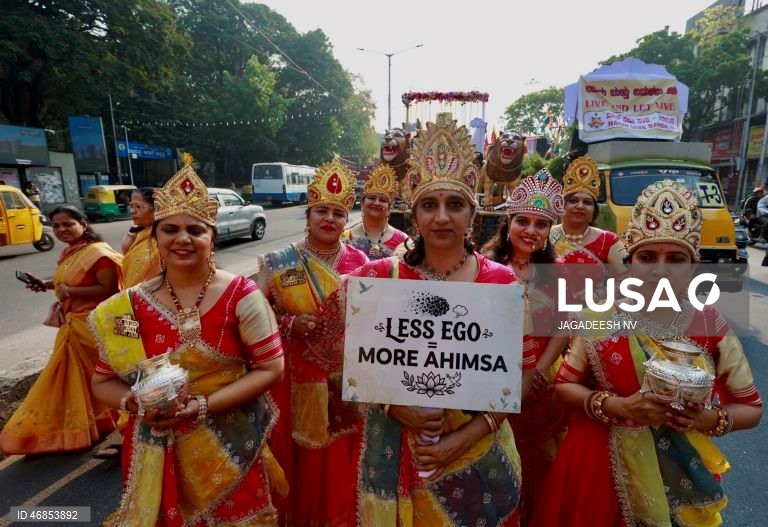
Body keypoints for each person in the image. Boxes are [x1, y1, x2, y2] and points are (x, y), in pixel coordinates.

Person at [532, 179, 763, 527]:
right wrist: (617, 406)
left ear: (694, 264)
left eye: (675, 258)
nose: (660, 268)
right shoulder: (600, 313)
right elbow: (565, 384)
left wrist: (706, 421)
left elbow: (751, 408)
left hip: (678, 468)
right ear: (630, 262)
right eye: (647, 257)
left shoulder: (709, 322)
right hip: (598, 463)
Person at [349, 115, 523, 526]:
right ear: (414, 214)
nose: (442, 217)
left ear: (472, 212)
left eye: (455, 204)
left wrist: (459, 440)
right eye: (430, 205)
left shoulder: (500, 282)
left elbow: (516, 379)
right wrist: (393, 404)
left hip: (475, 450)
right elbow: (351, 359)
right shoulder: (380, 278)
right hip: (396, 448)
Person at [90, 164, 285, 526]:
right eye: (170, 230)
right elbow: (101, 381)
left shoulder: (241, 295)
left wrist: (201, 405)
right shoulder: (126, 307)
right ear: (155, 237)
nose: (182, 239)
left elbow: (271, 369)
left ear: (212, 237)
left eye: (195, 230)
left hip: (228, 449)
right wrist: (135, 403)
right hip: (155, 448)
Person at [252, 159, 369, 526]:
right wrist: (288, 322)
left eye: (338, 212)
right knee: (303, 447)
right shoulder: (278, 262)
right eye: (322, 211)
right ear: (308, 214)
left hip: (347, 371)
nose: (329, 219)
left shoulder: (361, 260)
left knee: (344, 447)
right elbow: (258, 316)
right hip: (297, 369)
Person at [482, 169, 570, 525]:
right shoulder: (486, 266)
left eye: (541, 224)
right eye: (523, 221)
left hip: (543, 377)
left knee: (542, 461)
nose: (531, 231)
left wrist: (536, 371)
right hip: (492, 373)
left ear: (550, 231)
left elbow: (565, 327)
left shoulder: (558, 271)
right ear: (508, 222)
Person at [0, 206, 122, 455]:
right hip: (71, 324)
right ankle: (95, 423)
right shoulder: (69, 253)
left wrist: (70, 291)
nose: (61, 230)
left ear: (83, 224)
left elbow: (107, 288)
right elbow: (65, 284)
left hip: (91, 326)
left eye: (68, 224)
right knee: (80, 380)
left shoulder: (98, 254)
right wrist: (44, 284)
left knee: (92, 378)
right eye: (56, 226)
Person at [550, 155, 627, 272]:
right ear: (561, 205)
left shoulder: (608, 241)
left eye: (587, 202)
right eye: (573, 200)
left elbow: (628, 280)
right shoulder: (546, 236)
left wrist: (599, 291)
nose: (580, 206)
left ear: (594, 211)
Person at [343, 164, 408, 259]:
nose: (377, 203)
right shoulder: (345, 237)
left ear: (389, 209)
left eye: (382, 200)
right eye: (372, 198)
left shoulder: (403, 240)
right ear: (362, 204)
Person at [120, 187, 161, 287]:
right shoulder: (139, 233)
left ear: (156, 208)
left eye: (138, 206)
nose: (132, 211)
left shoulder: (162, 237)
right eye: (131, 206)